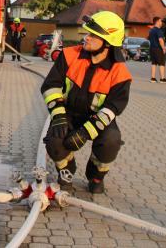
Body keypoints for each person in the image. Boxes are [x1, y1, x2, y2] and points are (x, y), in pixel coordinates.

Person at [41, 11, 131, 194]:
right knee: (54, 139)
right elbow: (51, 86)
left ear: (107, 43)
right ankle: (67, 172)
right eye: (87, 33)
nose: (86, 38)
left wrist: (85, 132)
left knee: (111, 141)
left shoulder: (120, 74)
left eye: (92, 35)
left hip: (97, 117)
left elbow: (112, 108)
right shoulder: (68, 56)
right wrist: (58, 116)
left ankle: (96, 176)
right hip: (67, 112)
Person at [147, 17, 166, 83]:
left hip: (152, 48)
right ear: (157, 22)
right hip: (158, 49)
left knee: (154, 63)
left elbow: (148, 38)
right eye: (160, 21)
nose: (161, 23)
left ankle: (153, 78)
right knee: (162, 63)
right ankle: (162, 78)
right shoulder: (159, 30)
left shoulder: (151, 30)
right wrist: (163, 48)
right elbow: (160, 40)